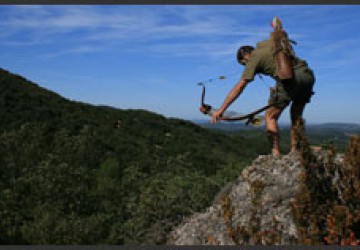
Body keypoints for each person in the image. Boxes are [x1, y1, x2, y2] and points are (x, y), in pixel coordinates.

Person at [211, 40, 315, 156]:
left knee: (270, 116)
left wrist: (221, 110)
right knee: (296, 116)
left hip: (290, 80)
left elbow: (240, 86)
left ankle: (275, 154)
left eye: (244, 63)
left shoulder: (254, 57)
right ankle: (296, 151)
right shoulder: (270, 46)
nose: (246, 66)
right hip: (307, 75)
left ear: (246, 55)